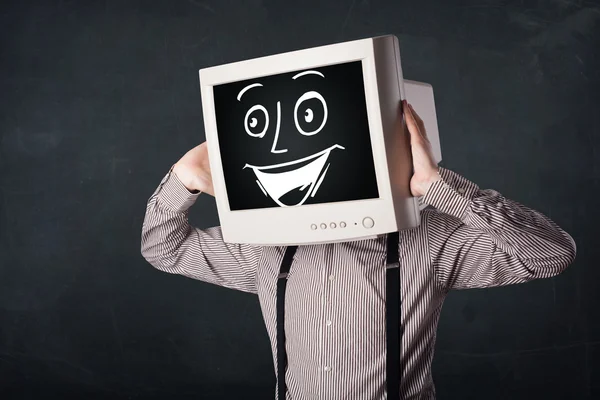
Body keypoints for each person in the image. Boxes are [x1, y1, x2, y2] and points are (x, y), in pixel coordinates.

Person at [141, 100, 576, 399]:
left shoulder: (428, 238)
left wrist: (438, 187)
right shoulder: (267, 244)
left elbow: (551, 254)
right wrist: (185, 177)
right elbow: (162, 247)